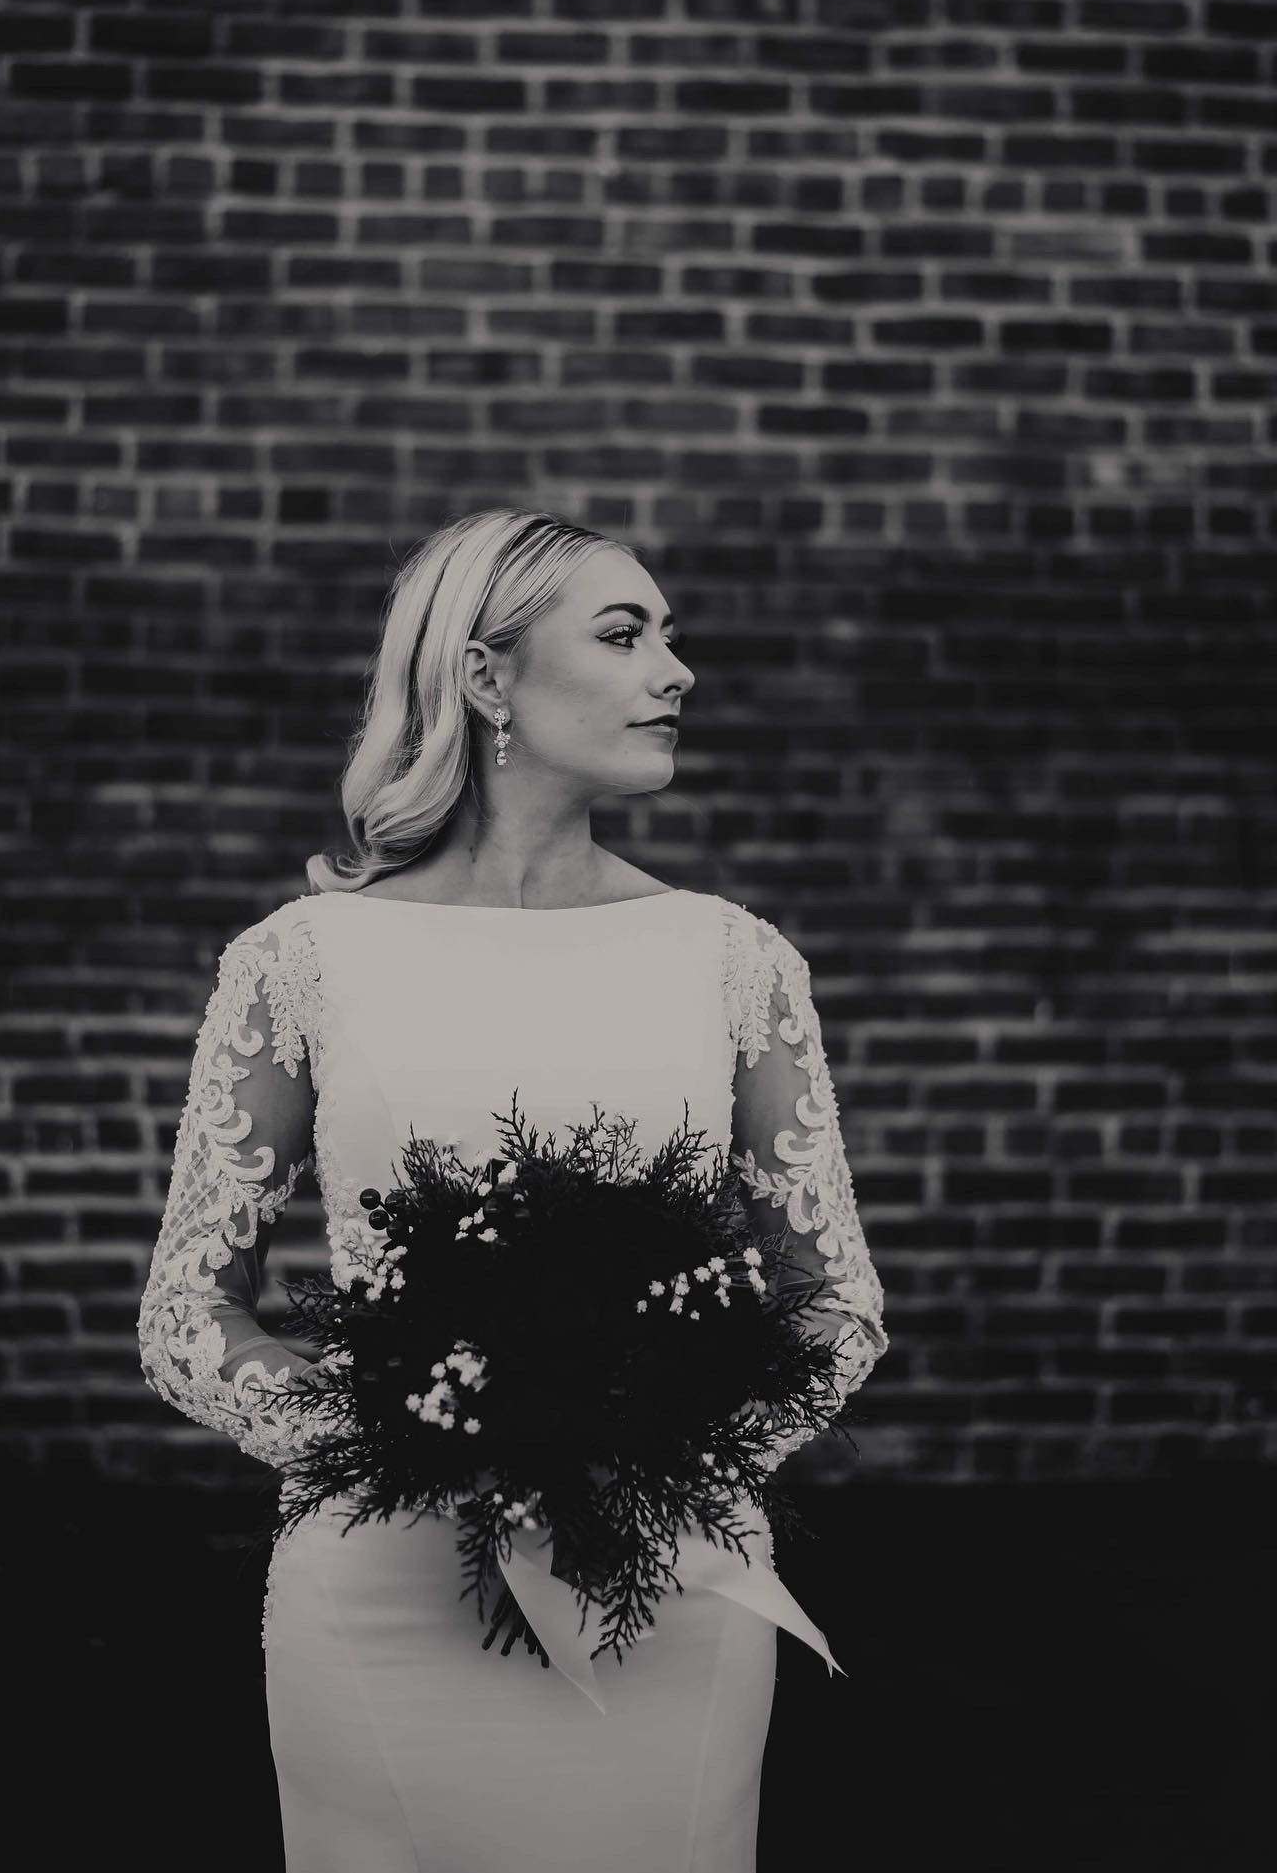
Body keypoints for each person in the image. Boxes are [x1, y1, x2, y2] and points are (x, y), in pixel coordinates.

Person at [137, 507, 888, 1871]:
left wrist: (655, 1448)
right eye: (625, 635)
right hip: (382, 1581)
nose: (677, 670)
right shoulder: (302, 961)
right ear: (486, 676)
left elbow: (833, 1302)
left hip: (668, 1576)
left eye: (669, 635)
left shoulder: (732, 961)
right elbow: (189, 1309)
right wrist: (398, 1435)